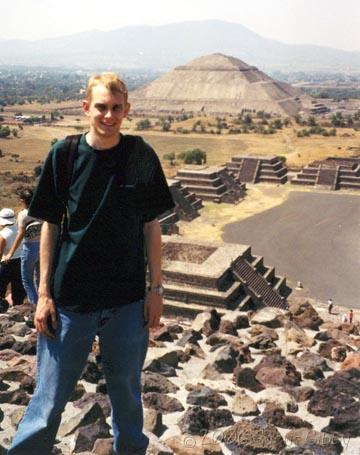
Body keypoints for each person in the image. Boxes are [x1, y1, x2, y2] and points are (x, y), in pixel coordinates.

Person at [8, 72, 174, 455]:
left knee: (128, 401)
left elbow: (151, 226)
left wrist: (156, 289)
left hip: (127, 302)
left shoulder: (139, 156)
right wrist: (44, 294)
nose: (109, 115)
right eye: (101, 107)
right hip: (70, 302)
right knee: (47, 403)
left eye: (117, 108)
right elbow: (50, 225)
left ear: (127, 110)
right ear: (86, 108)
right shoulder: (64, 155)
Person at [3, 188, 42, 304]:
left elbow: (20, 234)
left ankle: (34, 305)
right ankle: (42, 303)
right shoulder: (41, 211)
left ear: (23, 200)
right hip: (42, 247)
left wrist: (11, 253)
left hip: (29, 247)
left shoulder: (23, 214)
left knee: (26, 279)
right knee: (39, 279)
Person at [0, 208, 26, 306]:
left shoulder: (3, 234)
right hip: (20, 261)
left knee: (1, 288)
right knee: (18, 290)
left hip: (7, 263)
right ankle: (17, 309)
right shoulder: (19, 230)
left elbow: (0, 252)